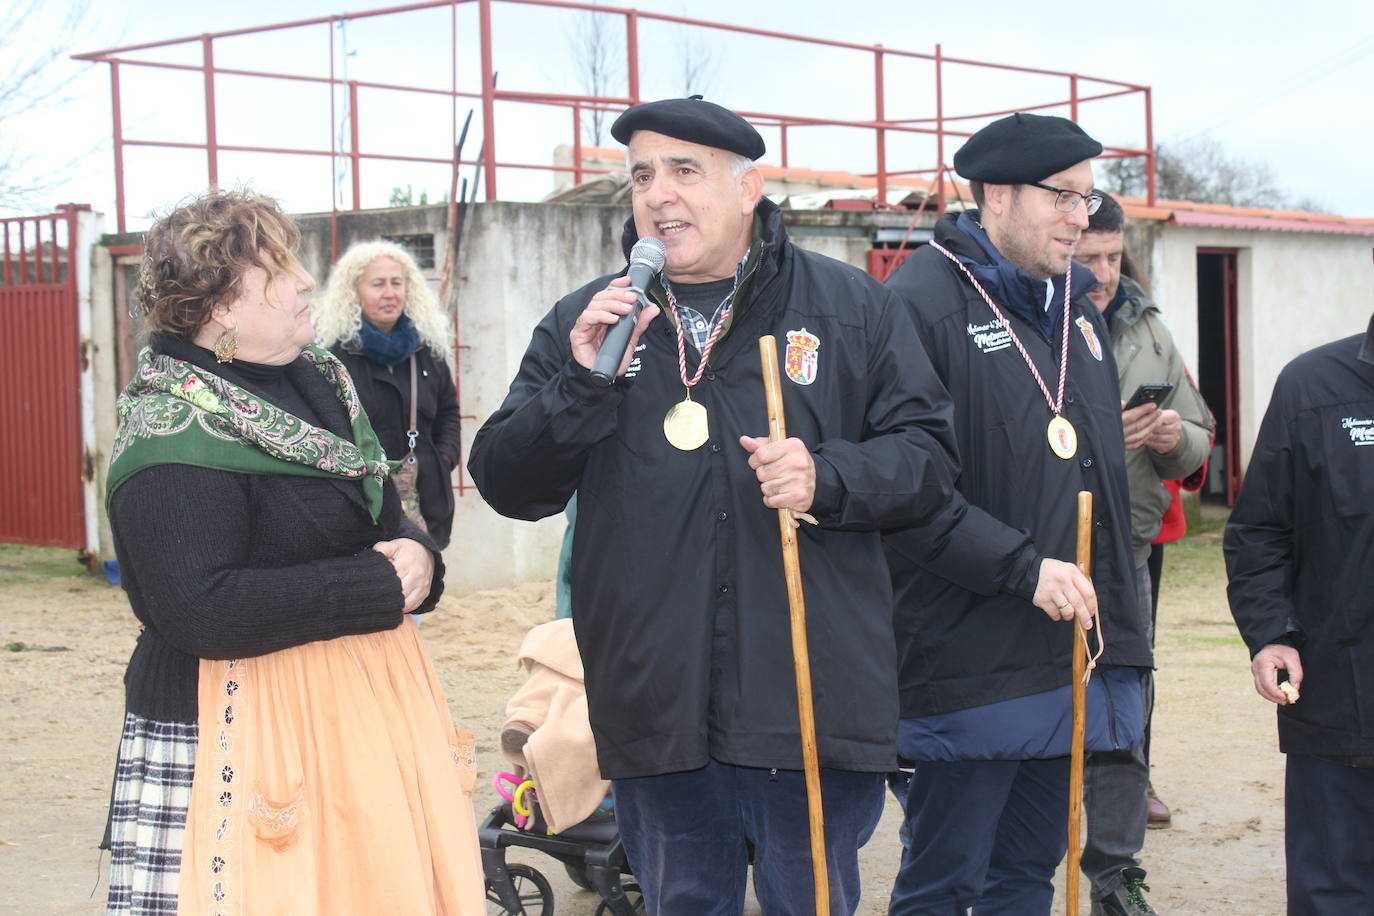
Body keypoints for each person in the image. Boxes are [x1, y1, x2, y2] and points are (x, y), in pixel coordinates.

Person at [468, 96, 959, 915]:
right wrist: (581, 383)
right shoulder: (591, 320)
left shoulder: (850, 309)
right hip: (656, 703)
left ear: (748, 188)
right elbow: (509, 483)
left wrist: (829, 476)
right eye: (642, 176)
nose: (659, 195)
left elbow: (932, 463)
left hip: (809, 696)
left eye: (685, 171)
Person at [102, 190, 483, 915]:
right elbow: (198, 609)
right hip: (233, 735)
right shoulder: (172, 428)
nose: (308, 280)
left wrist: (417, 555)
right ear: (219, 305)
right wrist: (376, 585)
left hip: (355, 716)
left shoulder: (318, 380)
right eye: (279, 269)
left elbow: (379, 510)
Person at [882, 113, 1154, 915]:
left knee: (1026, 877)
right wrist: (1022, 569)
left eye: (1089, 196)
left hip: (1069, 650)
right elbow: (907, 494)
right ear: (996, 194)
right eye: (1063, 198)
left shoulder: (1077, 305)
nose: (1083, 217)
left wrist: (1121, 641)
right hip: (968, 657)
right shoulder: (918, 305)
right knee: (944, 882)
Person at [1225, 310, 1374, 915]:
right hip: (1341, 707)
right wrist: (1270, 635)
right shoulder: (1313, 387)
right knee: (1332, 897)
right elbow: (1258, 531)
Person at [1075, 191, 1214, 837]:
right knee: (1051, 669)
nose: (1103, 273)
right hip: (1052, 535)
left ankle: (1132, 778)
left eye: (1112, 256)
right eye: (1089, 256)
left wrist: (1171, 439)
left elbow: (1198, 428)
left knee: (1132, 665)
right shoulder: (1033, 321)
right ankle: (1058, 778)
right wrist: (1103, 432)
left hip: (1132, 535)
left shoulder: (1150, 327)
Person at [314, 239, 461, 547]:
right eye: (377, 284)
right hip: (364, 504)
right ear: (354, 291)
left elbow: (448, 410)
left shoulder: (427, 350)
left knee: (425, 578)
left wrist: (443, 457)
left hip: (425, 498)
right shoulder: (335, 355)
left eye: (397, 282)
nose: (390, 293)